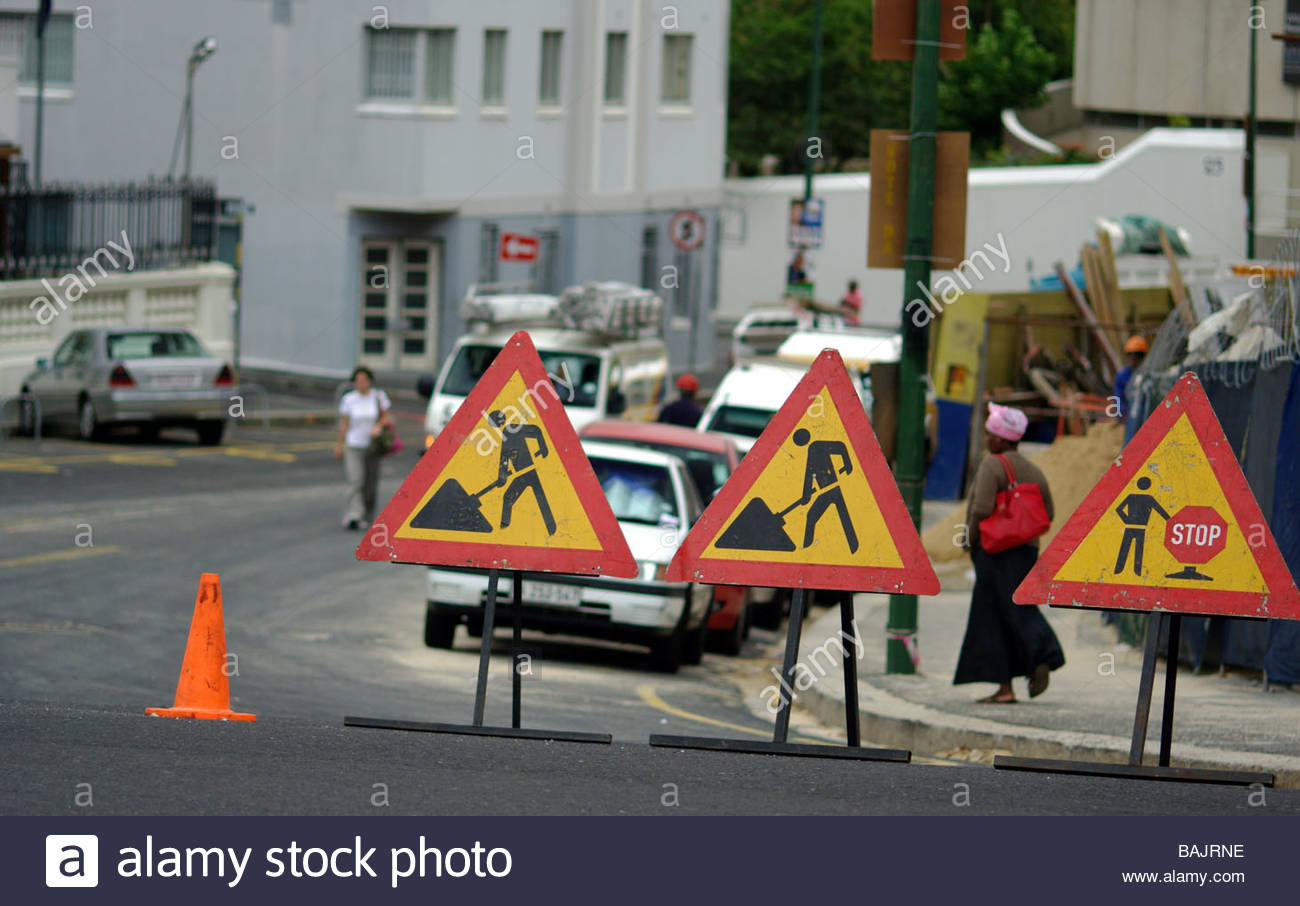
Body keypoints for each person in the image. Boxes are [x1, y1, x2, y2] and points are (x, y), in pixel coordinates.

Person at [954, 403, 1065, 703]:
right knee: (1012, 610)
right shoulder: (1034, 470)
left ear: (1003, 439)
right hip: (1025, 553)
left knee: (993, 616)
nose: (987, 438)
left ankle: (1044, 653)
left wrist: (969, 540)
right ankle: (1007, 688)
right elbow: (1049, 512)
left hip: (994, 552)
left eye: (991, 433)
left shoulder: (992, 465)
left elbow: (980, 508)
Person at [334, 365, 393, 530]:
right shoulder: (349, 399)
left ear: (370, 381)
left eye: (364, 380)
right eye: (358, 380)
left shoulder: (378, 397)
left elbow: (386, 417)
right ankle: (354, 514)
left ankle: (367, 514)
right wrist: (339, 445)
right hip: (354, 445)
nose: (361, 383)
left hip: (373, 446)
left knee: (370, 484)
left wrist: (378, 427)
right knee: (356, 480)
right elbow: (344, 423)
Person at [1113, 335, 1148, 418]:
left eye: (1138, 355)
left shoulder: (1148, 375)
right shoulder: (1122, 376)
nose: (1135, 358)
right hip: (1129, 419)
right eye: (1132, 355)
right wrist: (1122, 414)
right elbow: (1118, 399)